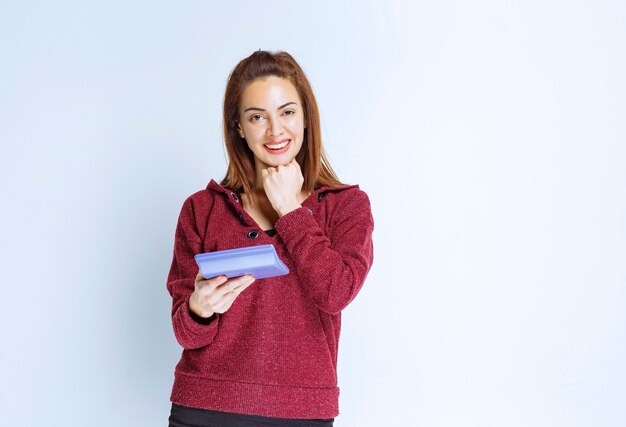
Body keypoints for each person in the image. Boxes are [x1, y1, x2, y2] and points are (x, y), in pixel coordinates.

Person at [166, 49, 374, 427]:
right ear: (239, 128)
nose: (276, 130)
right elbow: (184, 332)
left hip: (300, 413)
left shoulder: (346, 206)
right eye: (257, 117)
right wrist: (200, 308)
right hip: (204, 408)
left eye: (287, 112)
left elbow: (335, 292)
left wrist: (291, 211)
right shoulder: (202, 209)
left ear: (306, 117)